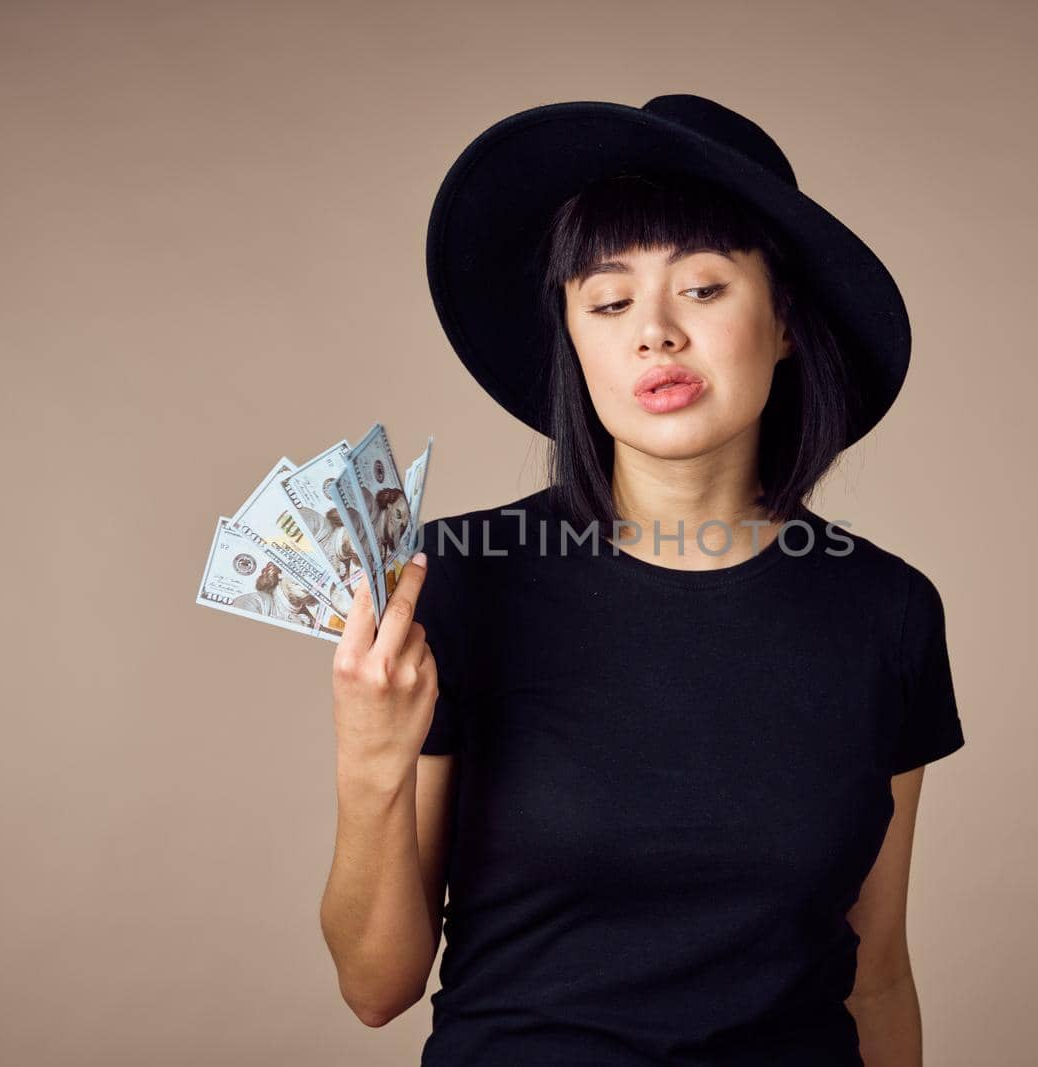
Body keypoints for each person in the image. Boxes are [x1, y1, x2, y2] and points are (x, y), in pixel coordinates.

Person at [319, 95, 967, 1067]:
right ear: (574, 344)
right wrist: (370, 759)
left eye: (702, 289)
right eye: (610, 301)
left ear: (784, 319)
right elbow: (376, 990)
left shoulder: (887, 610)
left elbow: (875, 973)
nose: (654, 333)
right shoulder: (456, 580)